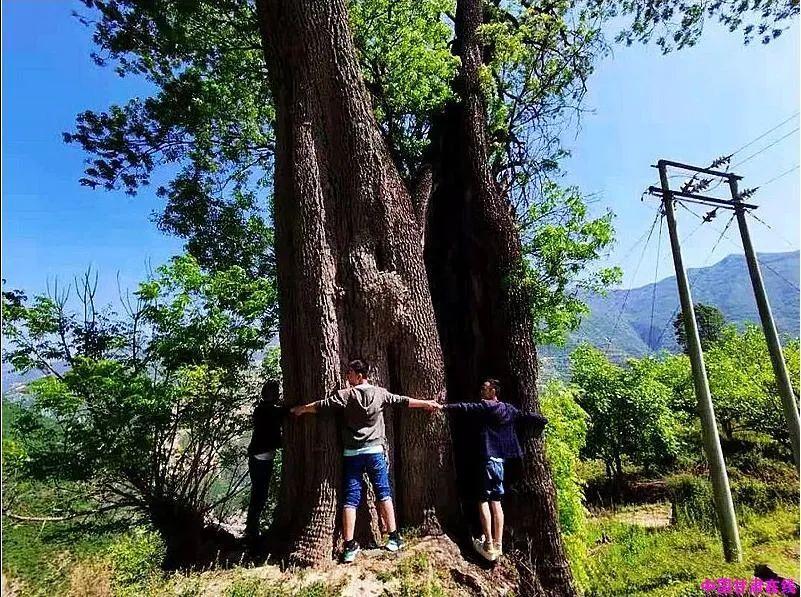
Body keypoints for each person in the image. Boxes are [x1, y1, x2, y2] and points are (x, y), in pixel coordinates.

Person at [291, 358, 439, 563]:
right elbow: (403, 401)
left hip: (352, 454)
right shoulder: (380, 393)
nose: (347, 376)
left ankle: (349, 546)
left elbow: (321, 406)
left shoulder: (346, 395)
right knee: (383, 493)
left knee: (351, 499)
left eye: (350, 373)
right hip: (374, 452)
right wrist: (426, 404)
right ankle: (394, 538)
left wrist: (302, 409)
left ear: (359, 375)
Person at [438, 378, 547, 562]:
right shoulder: (508, 409)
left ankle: (488, 543)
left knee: (482, 500)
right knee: (496, 501)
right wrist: (541, 420)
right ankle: (498, 544)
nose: (481, 390)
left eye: (485, 388)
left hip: (487, 460)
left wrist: (443, 407)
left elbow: (465, 407)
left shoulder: (485, 407)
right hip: (500, 463)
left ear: (493, 391)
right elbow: (524, 416)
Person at [245, 380, 288, 544]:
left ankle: (252, 529)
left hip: (259, 456)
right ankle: (252, 531)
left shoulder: (262, 410)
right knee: (259, 495)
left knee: (258, 494)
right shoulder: (270, 411)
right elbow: (285, 412)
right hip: (261, 457)